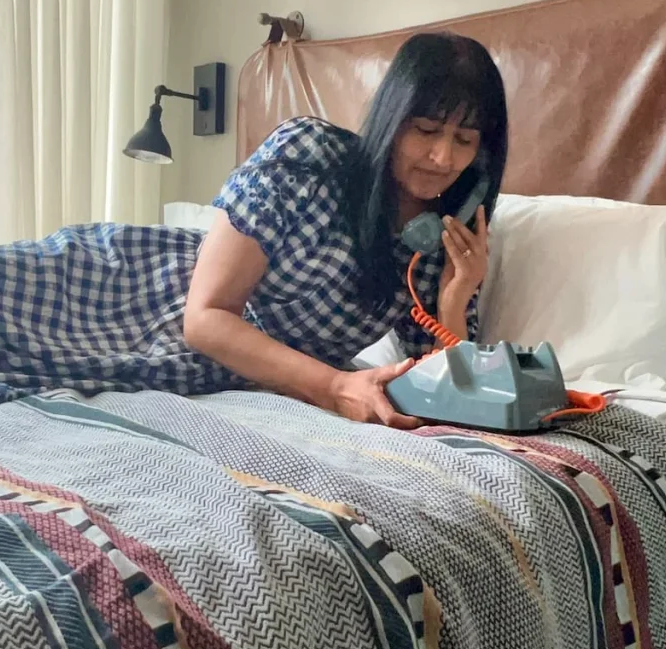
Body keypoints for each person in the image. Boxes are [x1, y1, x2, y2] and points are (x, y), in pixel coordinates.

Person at [184, 32, 508, 429]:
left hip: (258, 382)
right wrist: (335, 386)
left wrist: (453, 299)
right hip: (156, 308)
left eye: (465, 140)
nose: (443, 157)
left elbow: (444, 393)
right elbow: (204, 317)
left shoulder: (437, 239)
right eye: (426, 130)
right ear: (392, 119)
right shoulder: (307, 157)